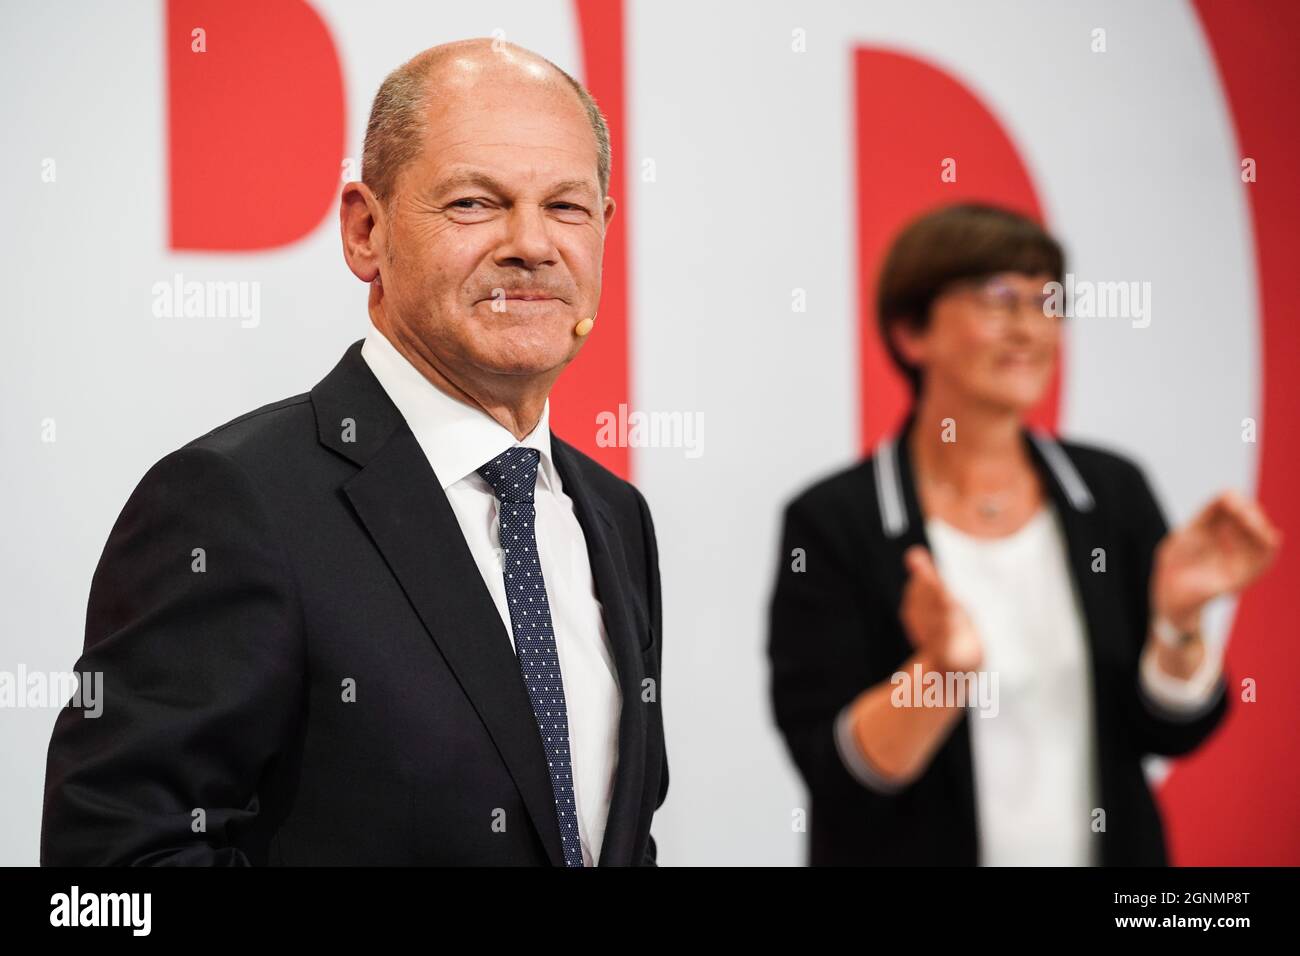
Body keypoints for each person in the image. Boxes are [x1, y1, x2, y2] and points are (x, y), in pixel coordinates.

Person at [41, 38, 667, 866]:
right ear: (366, 231)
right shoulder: (235, 502)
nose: (532, 244)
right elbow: (115, 866)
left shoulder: (614, 517)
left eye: (567, 206)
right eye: (476, 203)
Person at [768, 203, 1279, 866]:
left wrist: (1178, 623)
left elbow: (1168, 730)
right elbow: (842, 780)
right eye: (999, 300)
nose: (1031, 330)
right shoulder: (836, 519)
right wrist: (940, 673)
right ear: (911, 332)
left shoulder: (1109, 494)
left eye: (1048, 303)